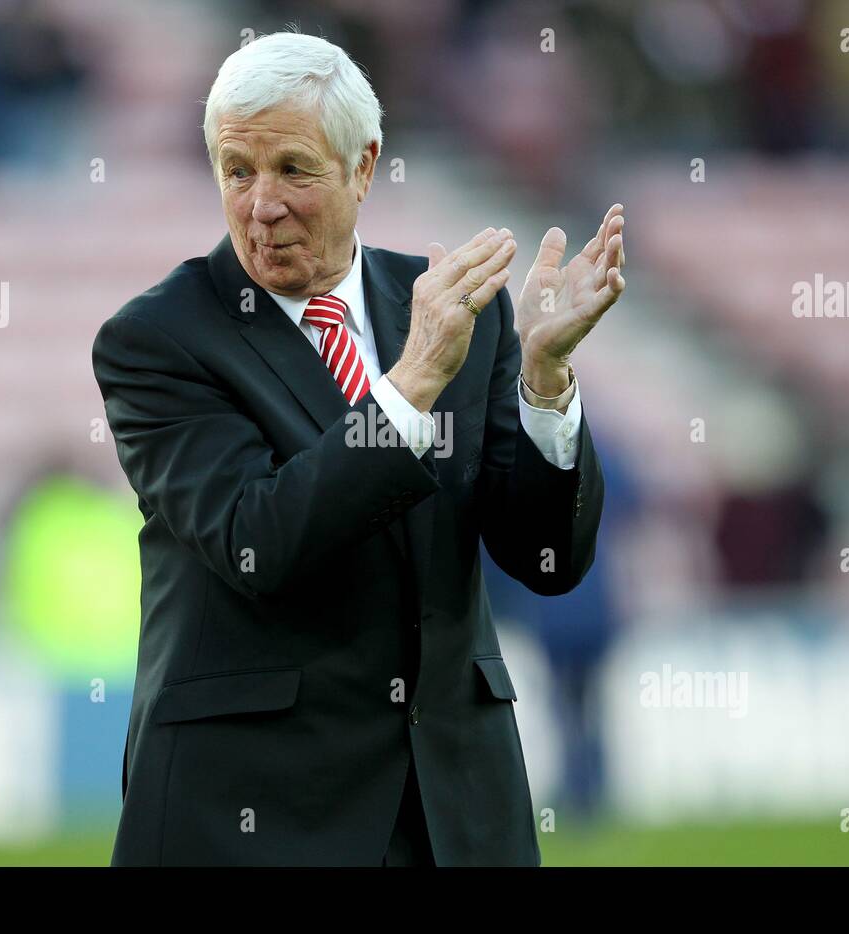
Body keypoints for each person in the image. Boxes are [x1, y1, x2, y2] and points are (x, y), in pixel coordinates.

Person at [91, 31, 626, 865]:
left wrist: (546, 381)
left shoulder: (464, 313)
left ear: (364, 166)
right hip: (256, 816)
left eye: (293, 169)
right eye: (237, 171)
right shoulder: (159, 341)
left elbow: (548, 561)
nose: (260, 204)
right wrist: (409, 387)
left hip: (455, 812)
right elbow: (260, 540)